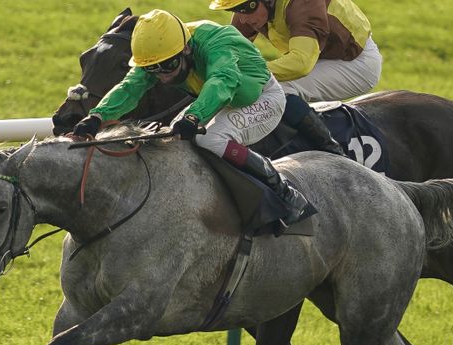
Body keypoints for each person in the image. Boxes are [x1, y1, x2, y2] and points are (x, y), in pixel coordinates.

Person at [73, 9, 310, 225]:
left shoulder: (217, 43)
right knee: (170, 139)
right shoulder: (161, 51)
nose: (163, 76)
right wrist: (97, 117)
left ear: (185, 48)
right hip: (221, 100)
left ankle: (285, 194)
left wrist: (194, 117)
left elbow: (222, 81)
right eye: (152, 70)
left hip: (262, 98)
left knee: (211, 140)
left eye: (169, 66)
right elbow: (129, 88)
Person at [209, 0, 383, 156]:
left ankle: (333, 151)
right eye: (235, 9)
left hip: (356, 64)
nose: (242, 18)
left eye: (245, 8)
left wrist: (252, 73)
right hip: (322, 57)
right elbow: (229, 50)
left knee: (280, 87)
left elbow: (301, 63)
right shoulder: (253, 9)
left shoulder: (303, 4)